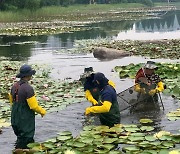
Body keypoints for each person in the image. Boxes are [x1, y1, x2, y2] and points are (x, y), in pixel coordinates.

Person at [9, 64, 46, 149]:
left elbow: (11, 101)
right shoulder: (28, 88)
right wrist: (42, 111)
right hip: (24, 117)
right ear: (28, 75)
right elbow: (33, 106)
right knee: (27, 137)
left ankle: (18, 149)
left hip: (15, 115)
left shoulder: (14, 86)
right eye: (31, 74)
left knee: (19, 135)